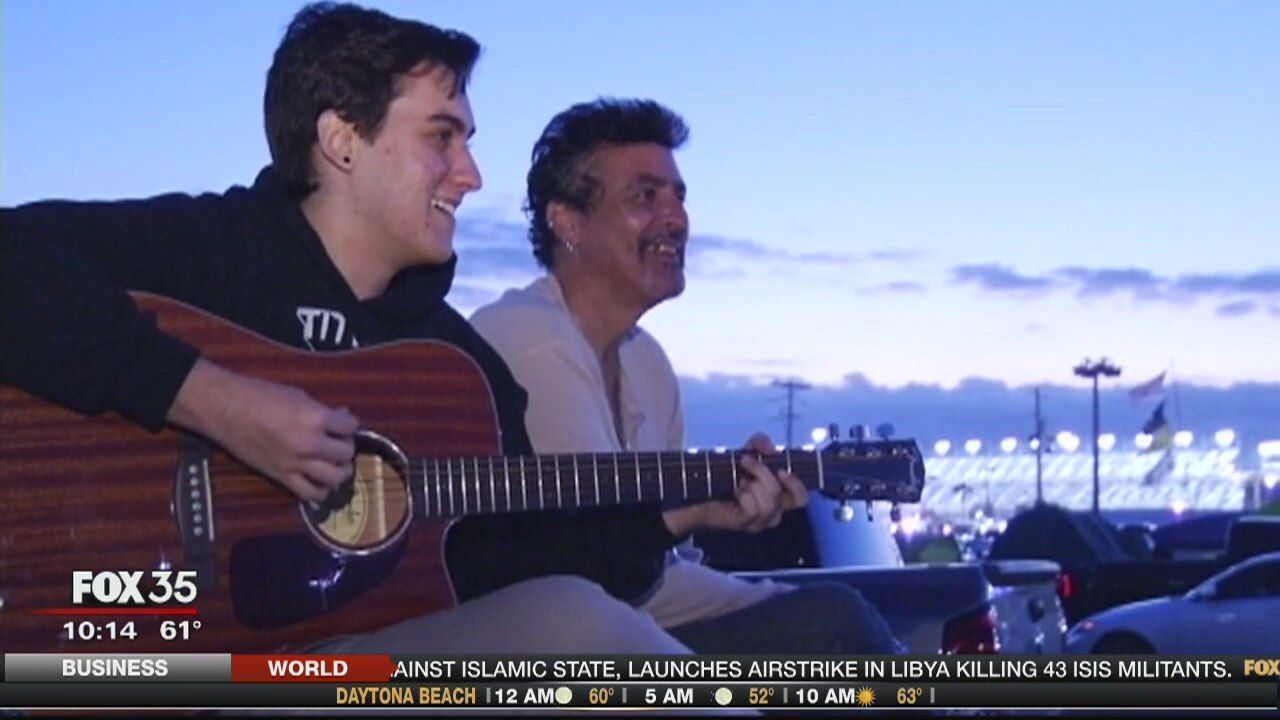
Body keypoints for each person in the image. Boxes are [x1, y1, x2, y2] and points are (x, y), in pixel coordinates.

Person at [0, 3, 743, 657]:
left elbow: (507, 574)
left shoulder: (461, 373)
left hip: (345, 667)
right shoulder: (217, 252)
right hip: (146, 663)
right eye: (442, 137)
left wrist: (673, 515)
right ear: (342, 141)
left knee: (576, 616)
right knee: (576, 621)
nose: (471, 175)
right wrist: (216, 403)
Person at [466, 98, 904, 654]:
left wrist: (776, 601)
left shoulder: (646, 362)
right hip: (542, 650)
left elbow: (659, 573)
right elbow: (594, 566)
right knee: (831, 624)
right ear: (568, 222)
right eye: (645, 197)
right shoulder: (527, 338)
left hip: (621, 620)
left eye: (679, 197)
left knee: (830, 616)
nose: (676, 219)